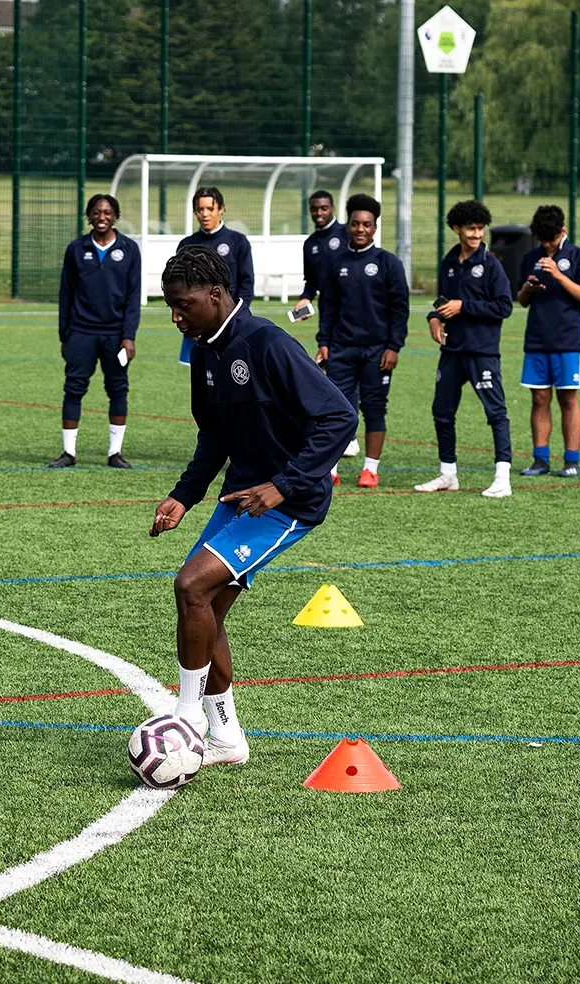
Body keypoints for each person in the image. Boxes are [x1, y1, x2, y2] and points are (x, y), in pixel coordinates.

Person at [149, 246, 357, 765]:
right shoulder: (204, 350)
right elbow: (213, 435)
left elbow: (339, 417)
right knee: (205, 609)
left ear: (216, 295)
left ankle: (188, 715)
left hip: (290, 504)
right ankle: (227, 739)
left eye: (183, 304)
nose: (176, 316)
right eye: (169, 306)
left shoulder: (268, 342)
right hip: (241, 495)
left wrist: (283, 485)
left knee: (190, 584)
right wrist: (184, 494)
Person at [414, 200, 515, 498]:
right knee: (441, 411)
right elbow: (443, 302)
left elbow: (504, 306)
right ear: (457, 228)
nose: (476, 234)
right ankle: (448, 474)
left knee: (495, 412)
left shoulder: (491, 265)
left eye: (480, 228)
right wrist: (434, 318)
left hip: (482, 352)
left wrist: (464, 307)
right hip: (452, 352)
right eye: (470, 228)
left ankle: (502, 477)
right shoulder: (448, 262)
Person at [314, 193, 409, 488]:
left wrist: (394, 346)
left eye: (366, 225)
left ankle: (370, 469)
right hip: (341, 348)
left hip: (377, 351)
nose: (360, 229)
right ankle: (330, 469)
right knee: (336, 409)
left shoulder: (388, 262)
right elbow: (328, 305)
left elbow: (400, 308)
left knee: (374, 407)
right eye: (355, 224)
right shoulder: (335, 263)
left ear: (375, 228)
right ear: (348, 226)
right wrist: (324, 341)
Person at [52, 193, 141, 469]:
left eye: (107, 212)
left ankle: (115, 453)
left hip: (115, 334)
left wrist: (129, 336)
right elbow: (66, 294)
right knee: (74, 388)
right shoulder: (76, 249)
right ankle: (69, 453)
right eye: (96, 212)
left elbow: (132, 297)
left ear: (116, 216)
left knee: (117, 389)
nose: (102, 217)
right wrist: (64, 334)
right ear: (88, 216)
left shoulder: (129, 249)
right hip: (81, 331)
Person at [517, 204, 580, 478]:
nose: (547, 245)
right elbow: (522, 300)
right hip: (537, 339)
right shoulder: (531, 257)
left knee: (568, 399)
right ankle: (540, 460)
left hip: (568, 342)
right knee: (539, 398)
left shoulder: (579, 257)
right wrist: (528, 287)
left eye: (551, 239)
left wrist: (559, 276)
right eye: (542, 240)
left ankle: (571, 461)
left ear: (563, 231)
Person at [175, 186, 254, 365]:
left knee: (233, 376)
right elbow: (180, 288)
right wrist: (191, 323)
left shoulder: (238, 242)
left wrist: (235, 320)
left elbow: (247, 284)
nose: (205, 214)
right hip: (197, 329)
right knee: (202, 379)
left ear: (221, 209)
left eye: (210, 209)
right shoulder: (187, 245)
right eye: (200, 209)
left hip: (230, 325)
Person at [294, 189, 345, 321]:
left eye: (324, 208)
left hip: (354, 306)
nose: (319, 213)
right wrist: (305, 298)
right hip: (327, 308)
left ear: (332, 209)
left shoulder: (347, 234)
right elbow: (311, 279)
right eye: (314, 209)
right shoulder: (310, 243)